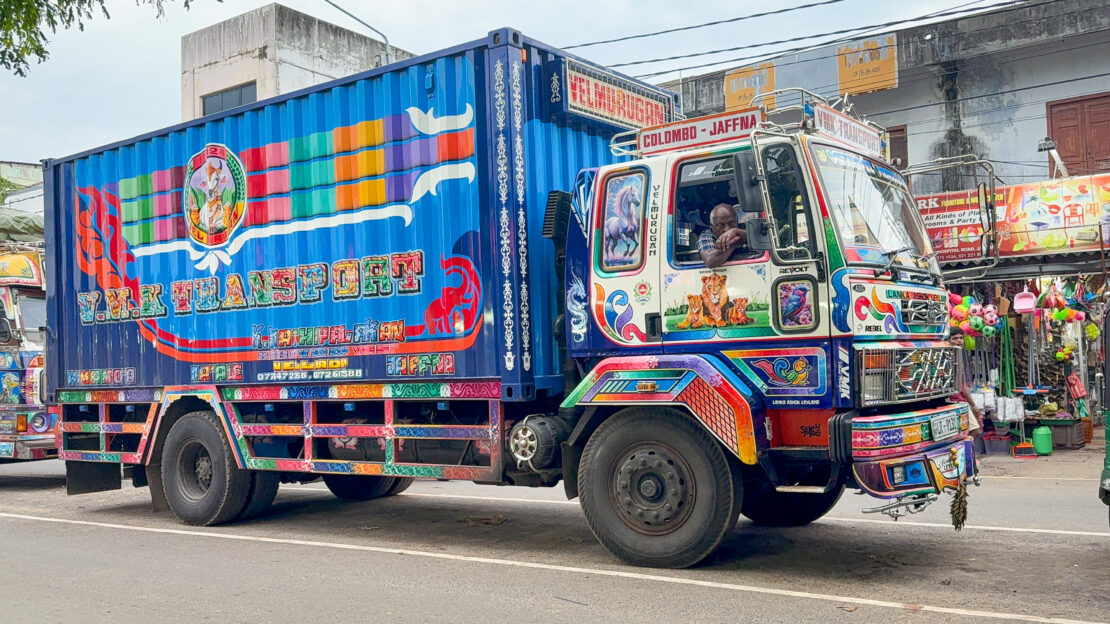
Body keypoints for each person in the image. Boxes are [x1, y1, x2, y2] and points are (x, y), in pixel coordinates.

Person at [698, 203, 752, 268]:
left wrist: (739, 233)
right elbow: (710, 261)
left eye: (731, 223)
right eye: (720, 225)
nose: (727, 229)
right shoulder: (707, 237)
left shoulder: (744, 229)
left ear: (737, 221)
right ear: (712, 226)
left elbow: (757, 236)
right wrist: (735, 242)